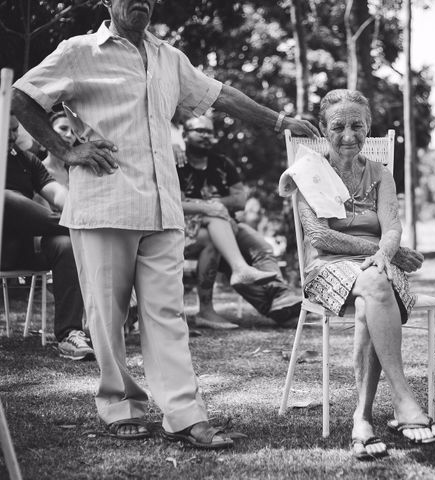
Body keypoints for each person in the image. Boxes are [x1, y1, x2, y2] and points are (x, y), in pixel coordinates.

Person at [11, 0, 318, 449]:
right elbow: (21, 96)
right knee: (107, 317)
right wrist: (66, 151)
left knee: (167, 316)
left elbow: (220, 95)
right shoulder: (79, 51)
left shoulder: (169, 58)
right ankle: (121, 406)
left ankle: (184, 415)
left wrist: (279, 121)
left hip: (164, 210)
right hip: (105, 205)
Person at [289, 89, 435, 460]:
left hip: (379, 269)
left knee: (372, 293)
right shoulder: (306, 171)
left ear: (369, 128)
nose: (348, 135)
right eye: (338, 126)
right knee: (377, 282)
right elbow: (320, 236)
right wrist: (377, 252)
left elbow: (392, 227)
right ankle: (405, 401)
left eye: (357, 125)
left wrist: (386, 251)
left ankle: (362, 419)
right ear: (324, 130)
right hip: (326, 269)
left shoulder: (380, 174)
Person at [179, 115, 301, 329]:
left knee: (261, 247)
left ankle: (280, 300)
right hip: (189, 231)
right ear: (184, 135)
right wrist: (210, 208)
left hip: (229, 226)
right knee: (219, 246)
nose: (206, 136)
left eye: (209, 131)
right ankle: (210, 308)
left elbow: (240, 200)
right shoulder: (177, 163)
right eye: (199, 130)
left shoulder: (222, 163)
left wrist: (211, 204)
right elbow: (176, 202)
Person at [4, 114, 93, 361]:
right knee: (6, 198)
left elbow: (56, 193)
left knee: (65, 244)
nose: (11, 136)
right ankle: (80, 226)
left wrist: (77, 207)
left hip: (23, 249)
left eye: (14, 130)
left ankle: (69, 335)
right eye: (6, 130)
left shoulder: (25, 160)